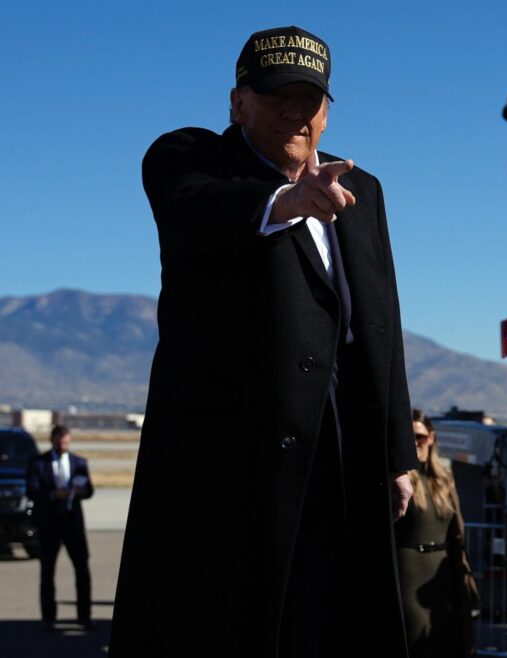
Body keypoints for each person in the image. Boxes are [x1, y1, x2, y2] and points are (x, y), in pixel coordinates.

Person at [111, 26, 416, 657]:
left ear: (327, 113)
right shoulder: (189, 160)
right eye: (276, 95)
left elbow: (381, 326)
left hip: (342, 454)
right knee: (230, 627)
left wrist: (396, 452)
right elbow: (198, 209)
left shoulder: (365, 193)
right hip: (229, 469)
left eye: (309, 100)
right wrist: (287, 200)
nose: (294, 113)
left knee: (335, 624)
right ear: (237, 102)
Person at [400, 411, 476, 657]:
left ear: (431, 438)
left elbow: (457, 532)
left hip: (444, 578)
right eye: (408, 436)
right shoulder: (398, 482)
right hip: (408, 577)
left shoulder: (444, 479)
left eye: (419, 436)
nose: (414, 442)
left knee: (449, 641)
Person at [26, 425, 94, 631]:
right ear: (52, 440)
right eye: (59, 441)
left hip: (72, 523)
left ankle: (84, 616)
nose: (62, 445)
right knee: (47, 572)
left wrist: (81, 491)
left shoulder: (79, 462)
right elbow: (32, 489)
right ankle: (48, 618)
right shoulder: (38, 462)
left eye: (66, 442)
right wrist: (53, 495)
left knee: (82, 569)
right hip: (49, 524)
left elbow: (89, 489)